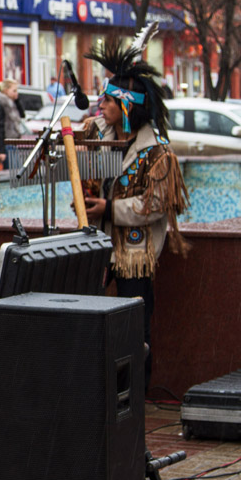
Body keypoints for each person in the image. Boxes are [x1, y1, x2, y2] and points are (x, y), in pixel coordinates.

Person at [82, 34, 189, 390]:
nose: (102, 105)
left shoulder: (157, 153)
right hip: (99, 246)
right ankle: (99, 395)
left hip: (134, 254)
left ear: (129, 107)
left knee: (133, 329)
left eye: (110, 100)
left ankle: (135, 399)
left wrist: (108, 208)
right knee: (91, 321)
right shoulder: (100, 135)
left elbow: (154, 206)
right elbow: (86, 175)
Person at [0, 79, 28, 171]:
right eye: (14, 91)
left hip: (12, 142)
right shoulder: (0, 103)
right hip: (6, 144)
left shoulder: (10, 103)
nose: (16, 93)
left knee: (16, 171)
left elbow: (22, 115)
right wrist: (1, 150)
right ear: (6, 90)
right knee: (12, 173)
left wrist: (17, 100)